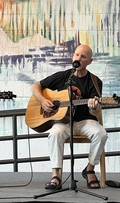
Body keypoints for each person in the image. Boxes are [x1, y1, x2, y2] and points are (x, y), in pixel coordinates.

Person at [30, 44, 107, 190]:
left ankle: (89, 169)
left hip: (86, 121)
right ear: (73, 57)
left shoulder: (95, 82)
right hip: (64, 122)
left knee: (101, 134)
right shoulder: (63, 76)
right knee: (55, 133)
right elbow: (35, 86)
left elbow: (96, 112)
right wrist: (42, 100)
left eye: (83, 56)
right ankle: (56, 175)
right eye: (77, 55)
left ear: (90, 61)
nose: (79, 58)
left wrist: (95, 107)